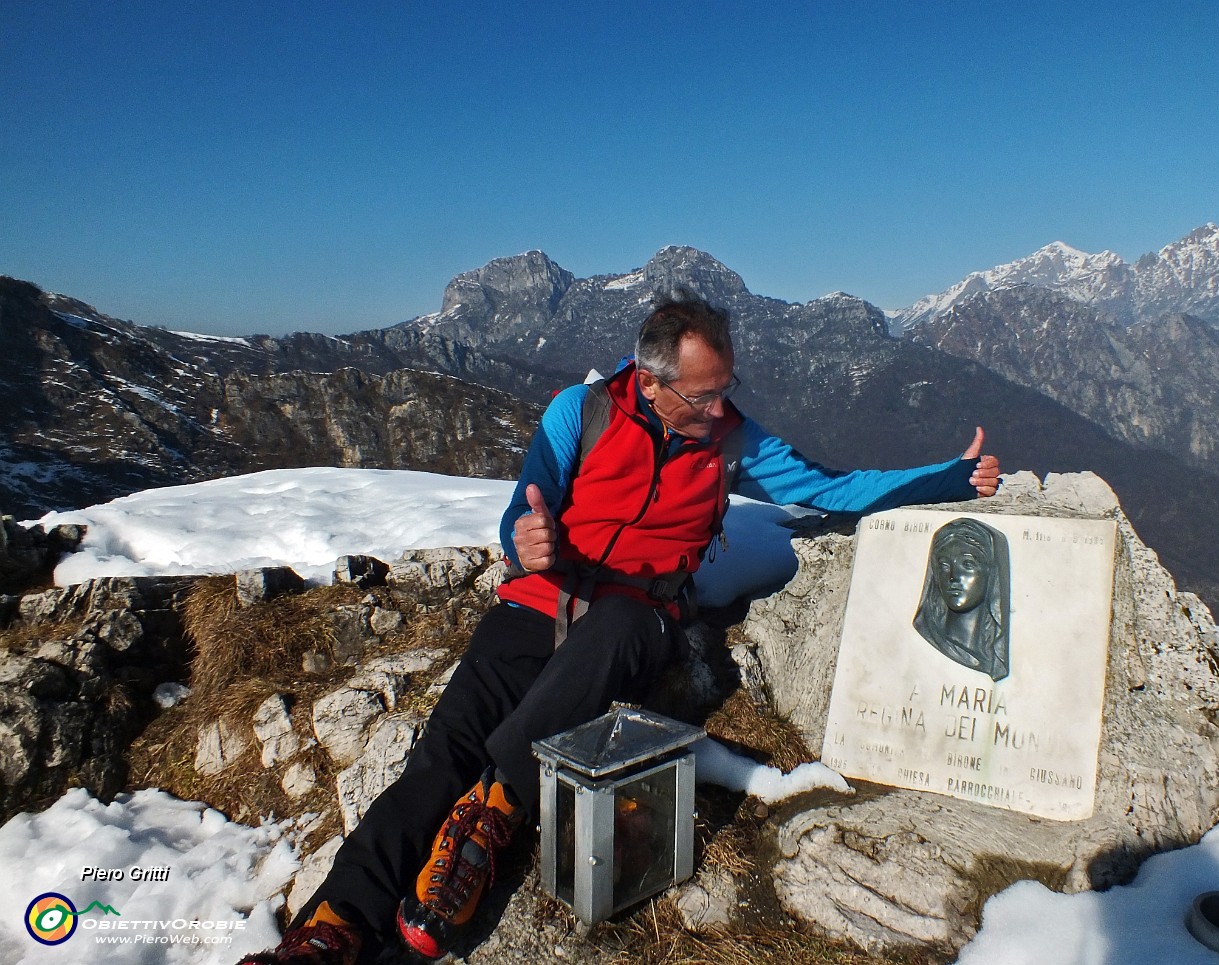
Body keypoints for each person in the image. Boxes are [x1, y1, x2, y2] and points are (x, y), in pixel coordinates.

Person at [239, 292, 1001, 964]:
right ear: (653, 380)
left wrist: (948, 477)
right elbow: (523, 510)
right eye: (703, 395)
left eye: (726, 389)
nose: (719, 409)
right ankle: (331, 927)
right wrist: (524, 543)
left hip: (637, 617)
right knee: (440, 754)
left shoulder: (731, 439)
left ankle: (495, 807)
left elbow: (834, 487)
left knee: (626, 624)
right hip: (539, 600)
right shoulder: (582, 411)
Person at [912, 516, 1011, 680]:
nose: (953, 577)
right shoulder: (929, 631)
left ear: (990, 573)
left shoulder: (990, 652)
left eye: (967, 564)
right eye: (944, 565)